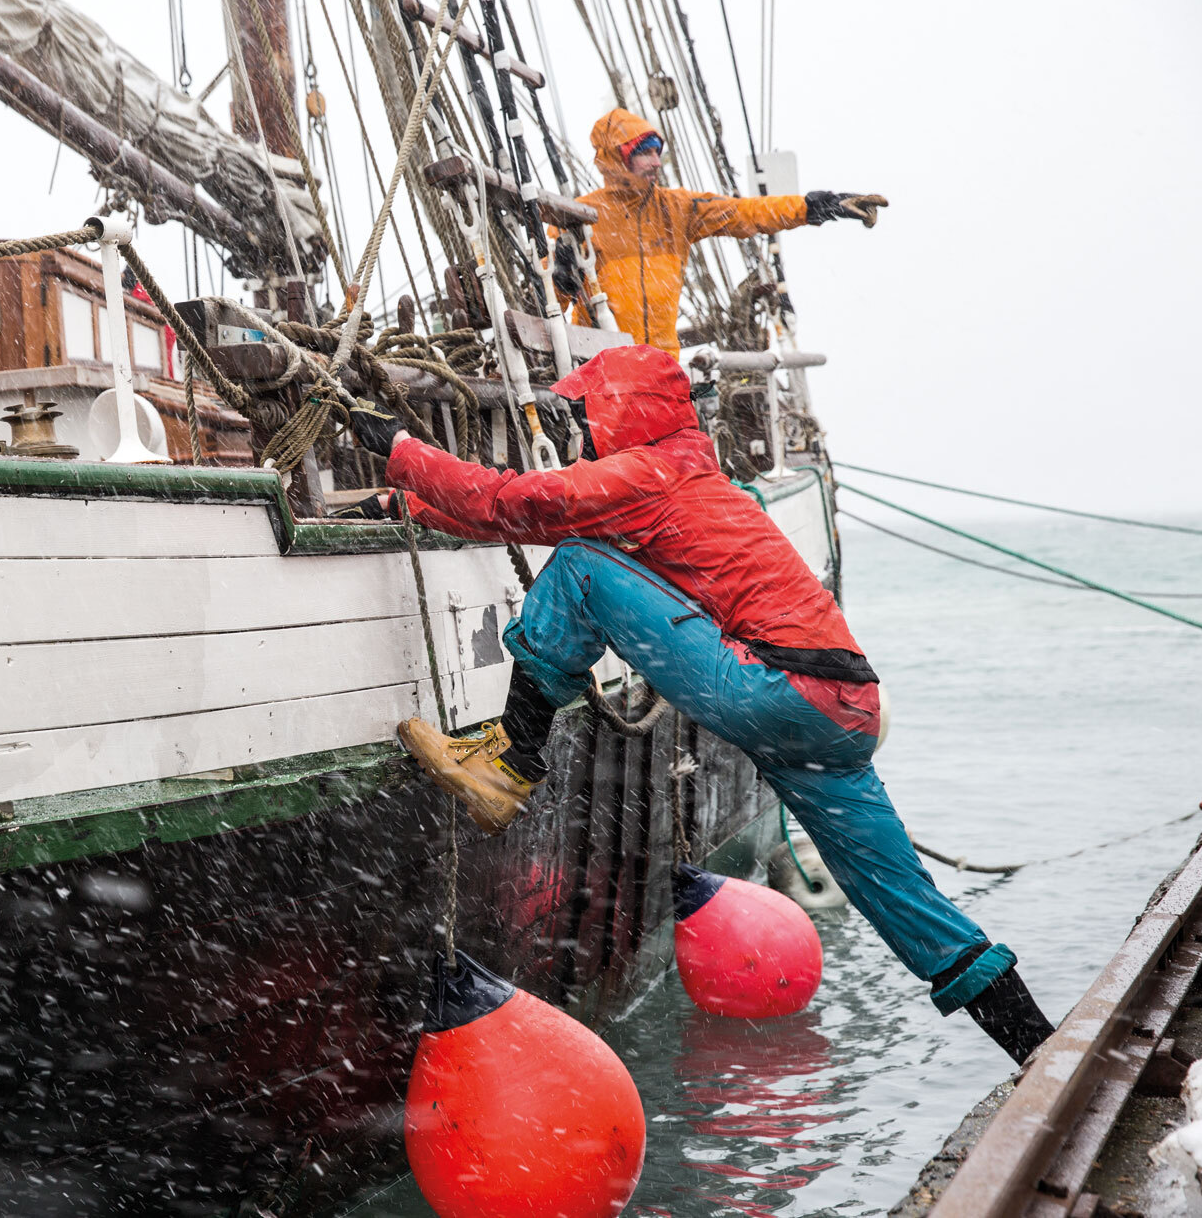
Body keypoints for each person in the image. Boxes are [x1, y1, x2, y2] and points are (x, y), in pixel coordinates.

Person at [343, 346, 1056, 1064]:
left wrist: (403, 451)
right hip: (844, 713)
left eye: (587, 415)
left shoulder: (647, 471)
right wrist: (410, 503)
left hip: (779, 689)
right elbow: (528, 516)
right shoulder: (690, 478)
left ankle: (509, 762)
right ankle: (1040, 1053)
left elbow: (526, 502)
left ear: (618, 409)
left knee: (582, 573)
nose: (582, 434)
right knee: (911, 909)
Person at [554, 108, 886, 356]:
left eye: (658, 152)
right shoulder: (579, 217)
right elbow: (547, 304)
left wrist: (817, 207)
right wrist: (559, 275)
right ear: (615, 159)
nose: (656, 162)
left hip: (660, 370)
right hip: (600, 371)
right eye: (644, 153)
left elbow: (746, 212)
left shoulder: (678, 209)